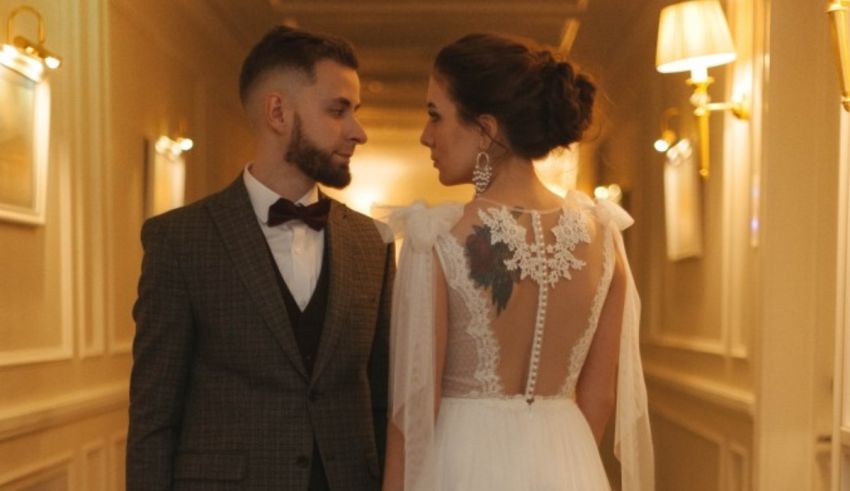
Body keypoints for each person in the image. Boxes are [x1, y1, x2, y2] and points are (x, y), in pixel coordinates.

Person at [127, 26, 394, 491]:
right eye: (338, 110)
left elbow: (382, 399)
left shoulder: (373, 242)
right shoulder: (180, 240)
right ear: (277, 112)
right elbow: (154, 415)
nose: (358, 132)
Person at [382, 33, 654, 490]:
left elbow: (415, 409)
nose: (426, 136)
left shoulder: (436, 239)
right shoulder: (605, 236)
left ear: (485, 129)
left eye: (435, 115)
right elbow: (600, 397)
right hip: (568, 465)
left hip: (462, 465)